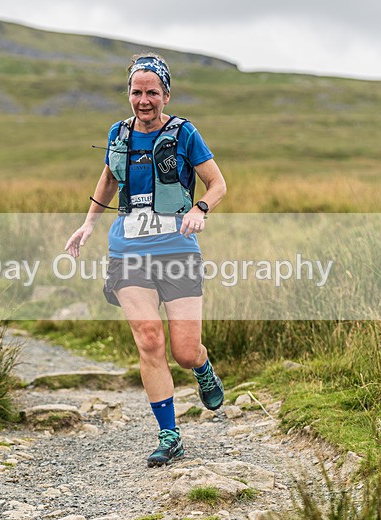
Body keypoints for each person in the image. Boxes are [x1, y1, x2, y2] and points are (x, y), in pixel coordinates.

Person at [65, 54, 228, 468]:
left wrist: (200, 209)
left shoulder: (185, 133)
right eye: (136, 92)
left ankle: (202, 367)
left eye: (152, 92)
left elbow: (217, 182)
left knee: (185, 351)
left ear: (166, 94)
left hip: (177, 248)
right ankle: (169, 435)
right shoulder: (118, 134)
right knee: (149, 339)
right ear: (129, 95)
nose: (143, 100)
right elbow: (108, 178)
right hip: (128, 250)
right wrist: (87, 225)